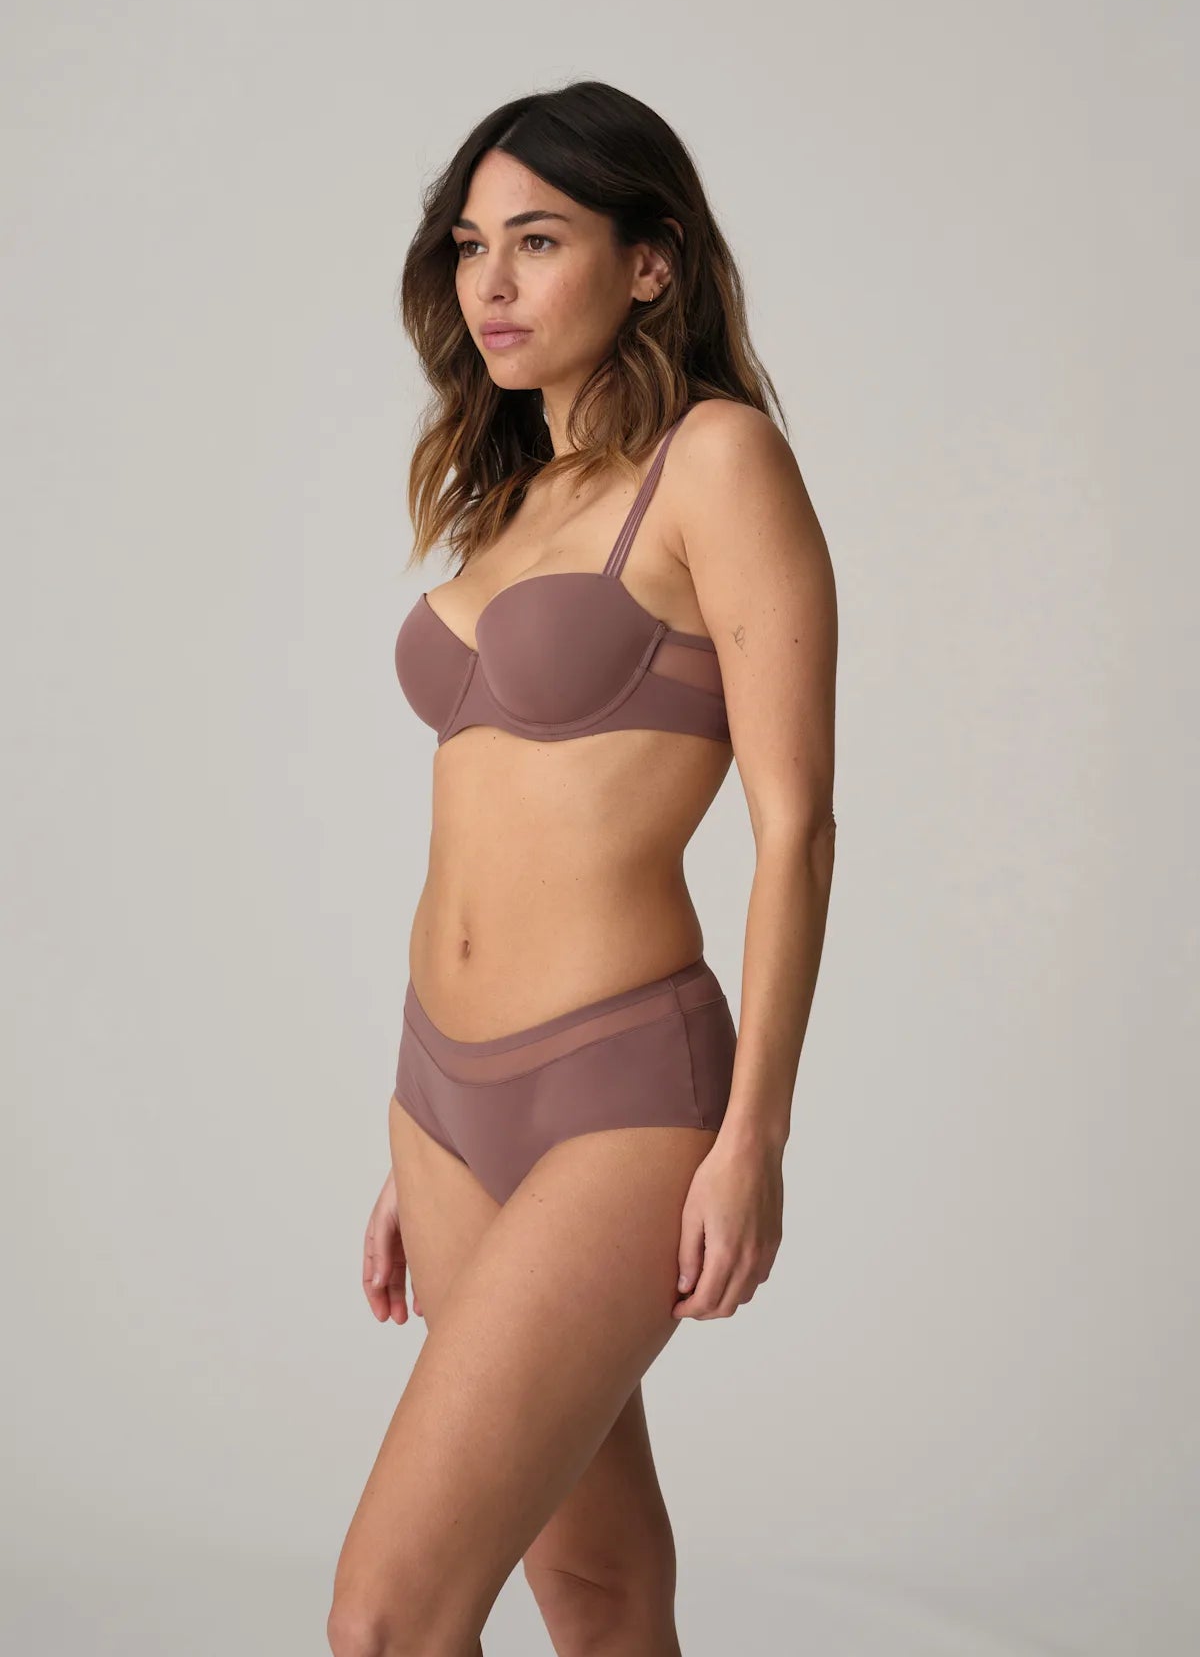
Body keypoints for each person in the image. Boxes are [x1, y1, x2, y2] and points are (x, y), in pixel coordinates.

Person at [328, 80, 838, 1657]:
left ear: (650, 261)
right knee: (600, 1591)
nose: (491, 281)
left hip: (620, 1093)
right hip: (440, 1101)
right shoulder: (515, 494)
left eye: (538, 240)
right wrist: (415, 1149)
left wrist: (754, 1137)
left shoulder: (719, 463)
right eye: (471, 245)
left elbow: (796, 824)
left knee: (386, 1619)